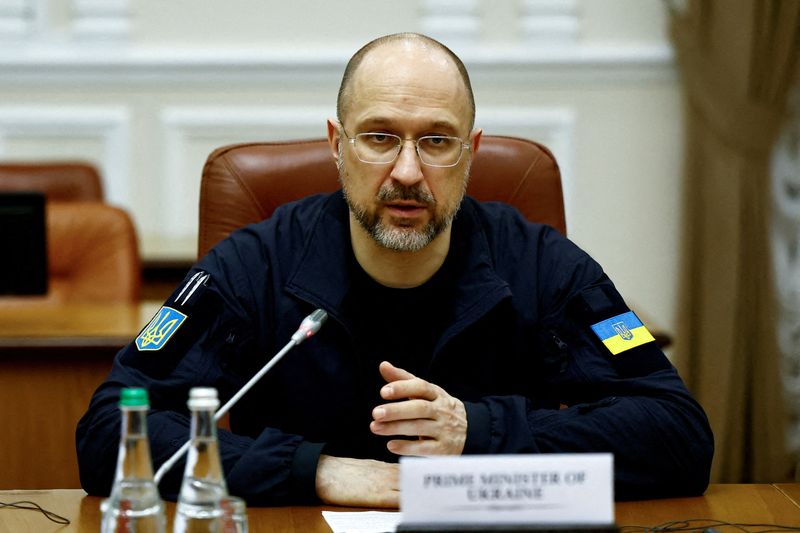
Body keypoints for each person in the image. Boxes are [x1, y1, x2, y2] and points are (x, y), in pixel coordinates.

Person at [77, 32, 713, 508]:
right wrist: (316, 470)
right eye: (379, 137)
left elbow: (679, 434)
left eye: (436, 141)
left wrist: (479, 432)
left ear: (471, 153)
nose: (407, 172)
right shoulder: (252, 266)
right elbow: (110, 432)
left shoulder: (548, 266)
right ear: (336, 145)